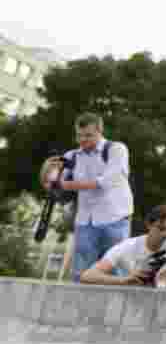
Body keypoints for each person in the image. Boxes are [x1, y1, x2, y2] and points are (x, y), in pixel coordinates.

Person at [41, 113, 134, 282]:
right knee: (81, 274)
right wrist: (50, 175)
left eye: (88, 135)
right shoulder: (72, 156)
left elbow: (105, 182)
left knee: (116, 271)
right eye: (79, 135)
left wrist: (65, 185)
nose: (83, 140)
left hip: (115, 219)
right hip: (85, 221)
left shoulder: (116, 149)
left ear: (100, 132)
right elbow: (53, 184)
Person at [80, 204, 166, 287]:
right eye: (161, 229)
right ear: (149, 225)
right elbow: (87, 276)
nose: (165, 234)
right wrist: (124, 280)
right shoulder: (127, 247)